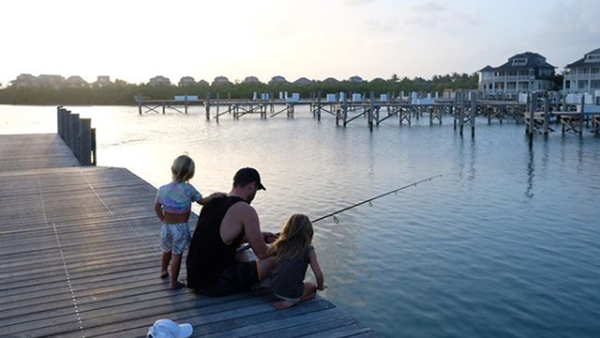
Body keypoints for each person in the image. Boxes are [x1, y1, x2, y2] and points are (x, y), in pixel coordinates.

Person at [186, 167, 277, 296]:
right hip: (214, 284)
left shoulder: (213, 201)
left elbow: (221, 238)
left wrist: (260, 236)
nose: (254, 195)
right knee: (277, 259)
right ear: (252, 186)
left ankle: (248, 278)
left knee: (237, 245)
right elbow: (263, 254)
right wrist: (284, 244)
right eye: (256, 190)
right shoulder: (245, 209)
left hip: (196, 279)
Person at [154, 155, 224, 289]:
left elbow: (156, 206)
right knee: (177, 254)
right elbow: (201, 201)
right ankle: (174, 283)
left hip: (166, 226)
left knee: (166, 249)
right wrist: (214, 196)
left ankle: (163, 270)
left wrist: (162, 219)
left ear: (172, 169)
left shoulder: (163, 189)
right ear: (190, 173)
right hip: (180, 228)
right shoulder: (189, 189)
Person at [267, 213, 326, 310]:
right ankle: (293, 301)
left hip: (273, 288)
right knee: (312, 288)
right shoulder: (309, 250)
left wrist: (275, 240)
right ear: (309, 232)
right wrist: (320, 286)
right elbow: (318, 275)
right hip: (292, 293)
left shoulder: (280, 245)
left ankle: (289, 299)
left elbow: (267, 254)